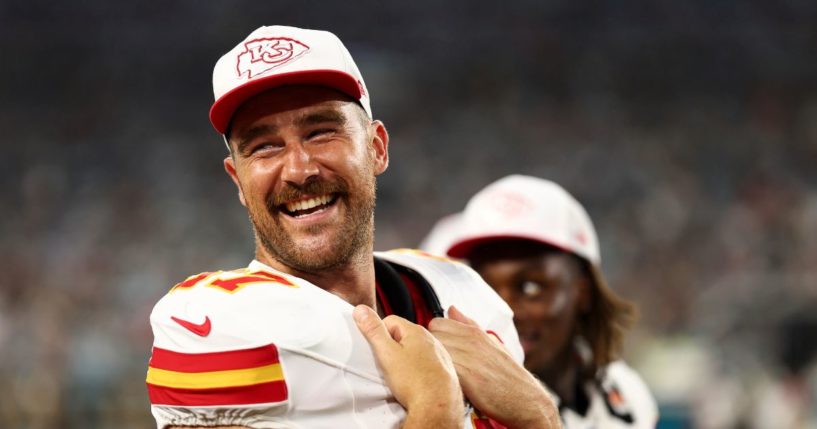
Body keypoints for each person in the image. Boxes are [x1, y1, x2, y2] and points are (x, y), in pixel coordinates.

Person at [145, 26, 560, 429]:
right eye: (265, 147)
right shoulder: (217, 329)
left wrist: (541, 414)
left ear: (377, 148)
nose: (299, 169)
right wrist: (436, 411)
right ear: (237, 180)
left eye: (322, 132)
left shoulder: (465, 296)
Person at [426, 174, 659, 428]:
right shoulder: (451, 410)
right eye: (483, 287)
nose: (503, 310)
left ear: (583, 292)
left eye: (530, 287)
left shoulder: (627, 393)